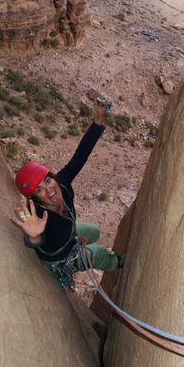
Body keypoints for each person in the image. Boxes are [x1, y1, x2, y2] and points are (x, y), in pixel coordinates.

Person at [11, 99, 125, 288]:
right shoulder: (39, 217)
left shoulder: (62, 184)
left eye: (47, 181)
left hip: (68, 235)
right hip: (59, 259)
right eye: (39, 190)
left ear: (53, 177)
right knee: (97, 254)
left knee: (94, 231)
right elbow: (39, 239)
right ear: (35, 198)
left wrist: (99, 118)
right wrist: (34, 237)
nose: (48, 189)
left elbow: (80, 155)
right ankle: (119, 263)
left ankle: (78, 241)